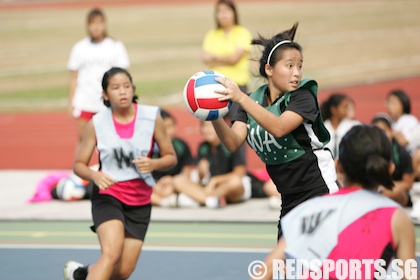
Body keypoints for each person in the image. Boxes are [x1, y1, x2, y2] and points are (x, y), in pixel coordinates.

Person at [211, 22, 339, 238]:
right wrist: (212, 115)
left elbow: (279, 128)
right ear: (269, 69)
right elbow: (233, 143)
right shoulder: (252, 101)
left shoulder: (302, 96)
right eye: (289, 66)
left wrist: (240, 97)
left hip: (319, 190)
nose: (296, 73)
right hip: (289, 198)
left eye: (300, 65)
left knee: (326, 266)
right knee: (288, 266)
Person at [256, 125, 416, 280]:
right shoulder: (398, 219)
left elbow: (268, 269)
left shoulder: (310, 209)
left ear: (338, 166)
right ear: (390, 169)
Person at [63, 67, 176, 280]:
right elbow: (79, 164)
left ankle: (81, 274)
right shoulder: (96, 123)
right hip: (109, 196)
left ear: (133, 89)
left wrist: (154, 163)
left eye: (126, 86)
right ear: (105, 95)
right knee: (112, 253)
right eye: (115, 88)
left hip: (140, 201)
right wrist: (95, 175)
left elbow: (171, 157)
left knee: (123, 271)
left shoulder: (152, 118)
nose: (122, 91)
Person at [68, 8, 130, 143]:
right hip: (84, 101)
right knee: (83, 140)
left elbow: (123, 76)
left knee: (110, 140)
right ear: (88, 25)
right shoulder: (79, 47)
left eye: (99, 23)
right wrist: (71, 101)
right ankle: (81, 164)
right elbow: (74, 76)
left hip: (107, 102)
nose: (96, 27)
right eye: (92, 23)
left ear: (104, 24)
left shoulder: (115, 46)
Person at [173, 120, 251, 208]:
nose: (208, 130)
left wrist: (215, 180)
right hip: (210, 188)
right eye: (205, 127)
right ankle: (210, 200)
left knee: (235, 182)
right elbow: (200, 178)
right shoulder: (202, 147)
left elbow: (239, 173)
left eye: (211, 126)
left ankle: (202, 199)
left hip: (228, 187)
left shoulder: (231, 144)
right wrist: (201, 172)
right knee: (178, 180)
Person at [202, 0, 252, 119]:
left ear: (234, 13)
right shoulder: (212, 34)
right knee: (217, 124)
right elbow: (205, 58)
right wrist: (227, 58)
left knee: (237, 122)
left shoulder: (243, 33)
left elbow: (234, 59)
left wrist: (215, 57)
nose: (223, 14)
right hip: (215, 84)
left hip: (237, 84)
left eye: (226, 11)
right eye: (219, 11)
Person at [150, 109, 195, 207]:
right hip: (156, 187)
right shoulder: (148, 148)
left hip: (174, 185)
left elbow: (186, 172)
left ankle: (172, 199)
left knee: (181, 183)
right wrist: (156, 185)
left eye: (170, 127)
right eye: (163, 128)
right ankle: (166, 202)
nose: (167, 131)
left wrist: (171, 181)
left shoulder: (181, 145)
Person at [372, 113, 414, 206]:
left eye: (383, 131)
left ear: (391, 131)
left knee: (394, 192)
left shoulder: (402, 153)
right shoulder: (370, 152)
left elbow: (408, 183)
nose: (380, 136)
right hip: (375, 191)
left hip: (397, 193)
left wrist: (385, 187)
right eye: (376, 132)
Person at [320, 93, 360, 159]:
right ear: (333, 109)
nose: (347, 110)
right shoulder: (322, 128)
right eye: (344, 107)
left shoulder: (353, 126)